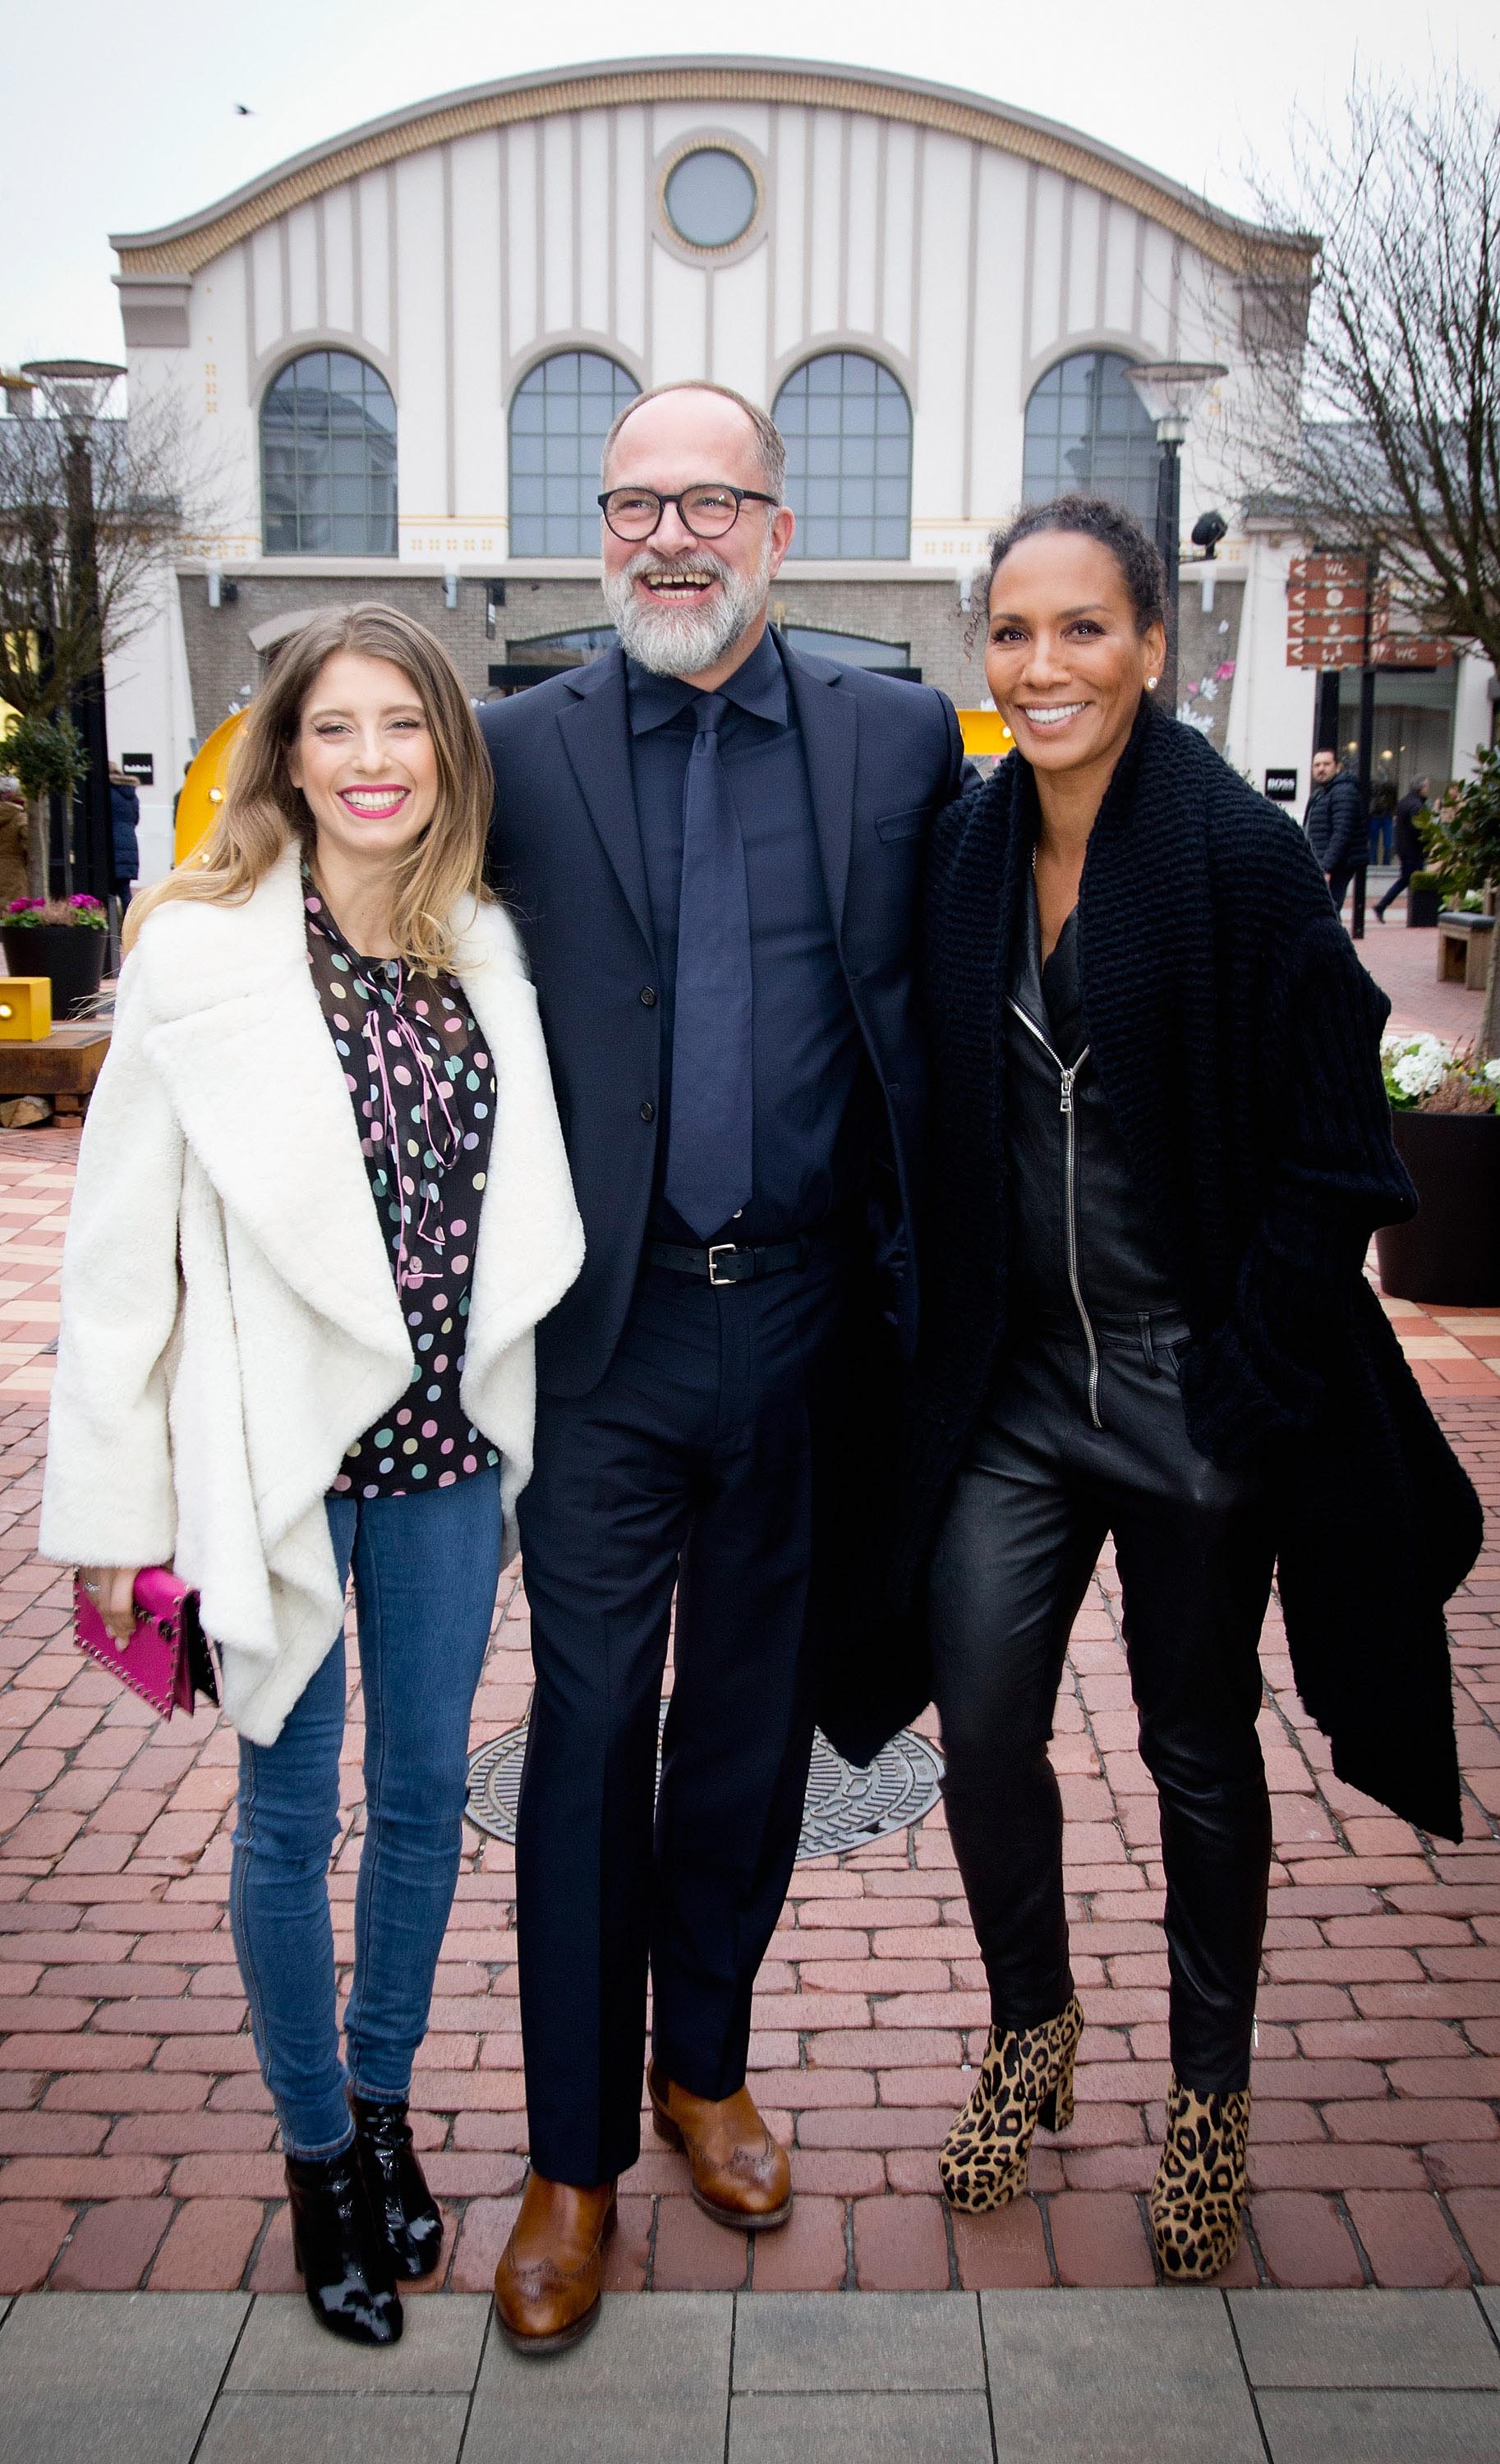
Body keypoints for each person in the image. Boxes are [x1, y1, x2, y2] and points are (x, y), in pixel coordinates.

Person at [895, 495, 1479, 2282]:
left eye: (1081, 629)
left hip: (1183, 1385)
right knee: (982, 1721)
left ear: (1151, 643)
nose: (1042, 664)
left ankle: (1210, 2100)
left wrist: (1245, 1377)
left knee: (1194, 1749)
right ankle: (1030, 2025)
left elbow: (1335, 1159)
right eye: (1011, 631)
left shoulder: (1231, 855)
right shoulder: (967, 844)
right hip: (1017, 1387)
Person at [481, 379, 964, 2350]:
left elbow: (968, 985)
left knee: (749, 1732)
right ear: (596, 531)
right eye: (627, 505)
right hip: (598, 1334)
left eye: (704, 502)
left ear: (778, 526)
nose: (662, 537)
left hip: (801, 1328)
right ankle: (569, 2154)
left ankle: (704, 2066)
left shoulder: (897, 737)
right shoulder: (511, 748)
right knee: (589, 1728)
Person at [40, 605, 582, 2347]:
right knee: (291, 1818)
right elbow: (120, 1266)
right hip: (273, 1452)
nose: (369, 761)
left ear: (445, 753)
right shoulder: (197, 953)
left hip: (437, 1458)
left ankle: (384, 2107)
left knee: (424, 1801)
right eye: (332, 728)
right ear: (284, 750)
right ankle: (312, 2164)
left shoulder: (482, 947)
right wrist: (113, 1520)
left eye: (400, 728)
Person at [1303, 747, 1364, 915]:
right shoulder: (1320, 794)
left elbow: (1341, 833)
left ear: (1337, 767)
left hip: (1335, 867)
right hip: (1321, 864)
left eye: (1326, 764)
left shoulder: (1343, 791)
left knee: (1328, 912)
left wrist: (1327, 868)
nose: (1321, 769)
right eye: (1317, 765)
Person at [1375, 775, 1431, 921]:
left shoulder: (1405, 802)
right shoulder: (1416, 805)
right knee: (1410, 880)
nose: (1428, 789)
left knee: (1407, 879)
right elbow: (1417, 829)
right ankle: (1385, 905)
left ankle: (1385, 905)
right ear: (1420, 788)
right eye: (1426, 786)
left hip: (1405, 849)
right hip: (1413, 850)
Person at [108, 764, 140, 912]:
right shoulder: (132, 794)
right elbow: (135, 819)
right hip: (129, 843)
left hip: (112, 844)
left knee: (109, 891)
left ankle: (111, 926)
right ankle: (130, 925)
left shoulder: (108, 793)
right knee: (125, 890)